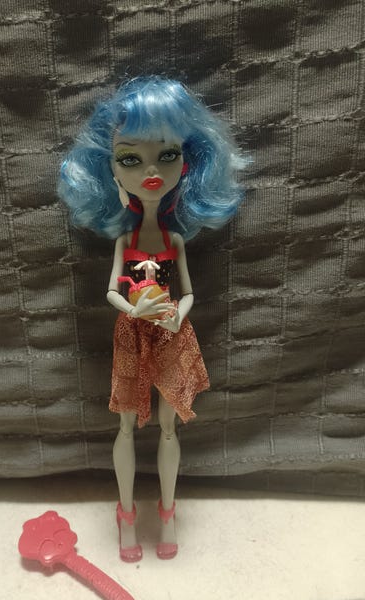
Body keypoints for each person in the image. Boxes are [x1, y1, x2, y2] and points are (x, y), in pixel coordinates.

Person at [59, 77, 244, 561]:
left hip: (171, 333)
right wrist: (134, 308)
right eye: (130, 159)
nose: (151, 171)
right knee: (125, 426)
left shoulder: (174, 241)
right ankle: (125, 514)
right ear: (109, 170)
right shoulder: (124, 242)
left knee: (168, 427)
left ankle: (167, 514)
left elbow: (189, 292)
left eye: (167, 155)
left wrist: (176, 314)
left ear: (190, 162)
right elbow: (111, 290)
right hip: (132, 333)